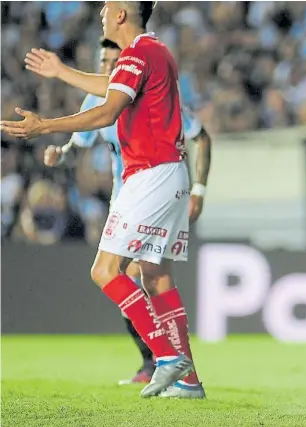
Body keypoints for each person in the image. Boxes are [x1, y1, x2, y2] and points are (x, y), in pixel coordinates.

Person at [1, 1, 203, 399]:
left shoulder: (137, 53)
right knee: (156, 275)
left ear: (122, 15)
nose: (102, 13)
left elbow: (107, 111)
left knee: (105, 270)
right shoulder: (155, 51)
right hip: (171, 173)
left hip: (149, 174)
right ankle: (188, 381)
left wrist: (45, 126)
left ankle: (166, 357)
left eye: (107, 7)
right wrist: (60, 71)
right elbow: (110, 90)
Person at [40, 37, 212, 387]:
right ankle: (179, 373)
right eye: (103, 60)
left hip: (152, 195)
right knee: (148, 279)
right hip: (125, 199)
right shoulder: (96, 99)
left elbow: (200, 137)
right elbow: (79, 144)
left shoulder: (153, 95)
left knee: (119, 274)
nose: (107, 66)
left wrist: (200, 188)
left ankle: (162, 359)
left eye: (113, 60)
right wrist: (61, 151)